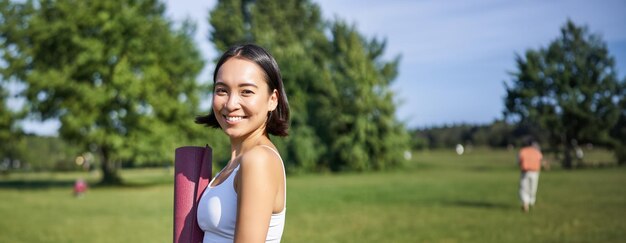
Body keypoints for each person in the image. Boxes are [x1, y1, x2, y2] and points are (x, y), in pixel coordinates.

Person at [195, 44, 289, 242]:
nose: (230, 104)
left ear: (272, 99)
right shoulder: (235, 163)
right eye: (222, 90)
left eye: (246, 91)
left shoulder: (258, 160)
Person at [518, 139, 543, 213]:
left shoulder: (522, 151)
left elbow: (519, 161)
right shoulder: (536, 151)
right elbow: (540, 159)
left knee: (524, 188)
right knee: (533, 187)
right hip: (535, 171)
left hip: (525, 171)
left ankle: (525, 203)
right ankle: (531, 202)